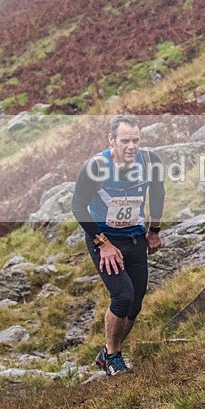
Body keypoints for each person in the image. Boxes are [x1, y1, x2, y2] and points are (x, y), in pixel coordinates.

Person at [71, 114, 165, 376]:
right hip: (104, 240)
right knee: (122, 296)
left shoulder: (149, 161)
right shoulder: (96, 167)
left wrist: (154, 231)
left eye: (135, 140)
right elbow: (78, 206)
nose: (131, 147)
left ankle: (108, 352)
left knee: (136, 303)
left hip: (134, 236)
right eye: (125, 141)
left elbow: (158, 193)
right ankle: (113, 357)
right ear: (111, 140)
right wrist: (103, 244)